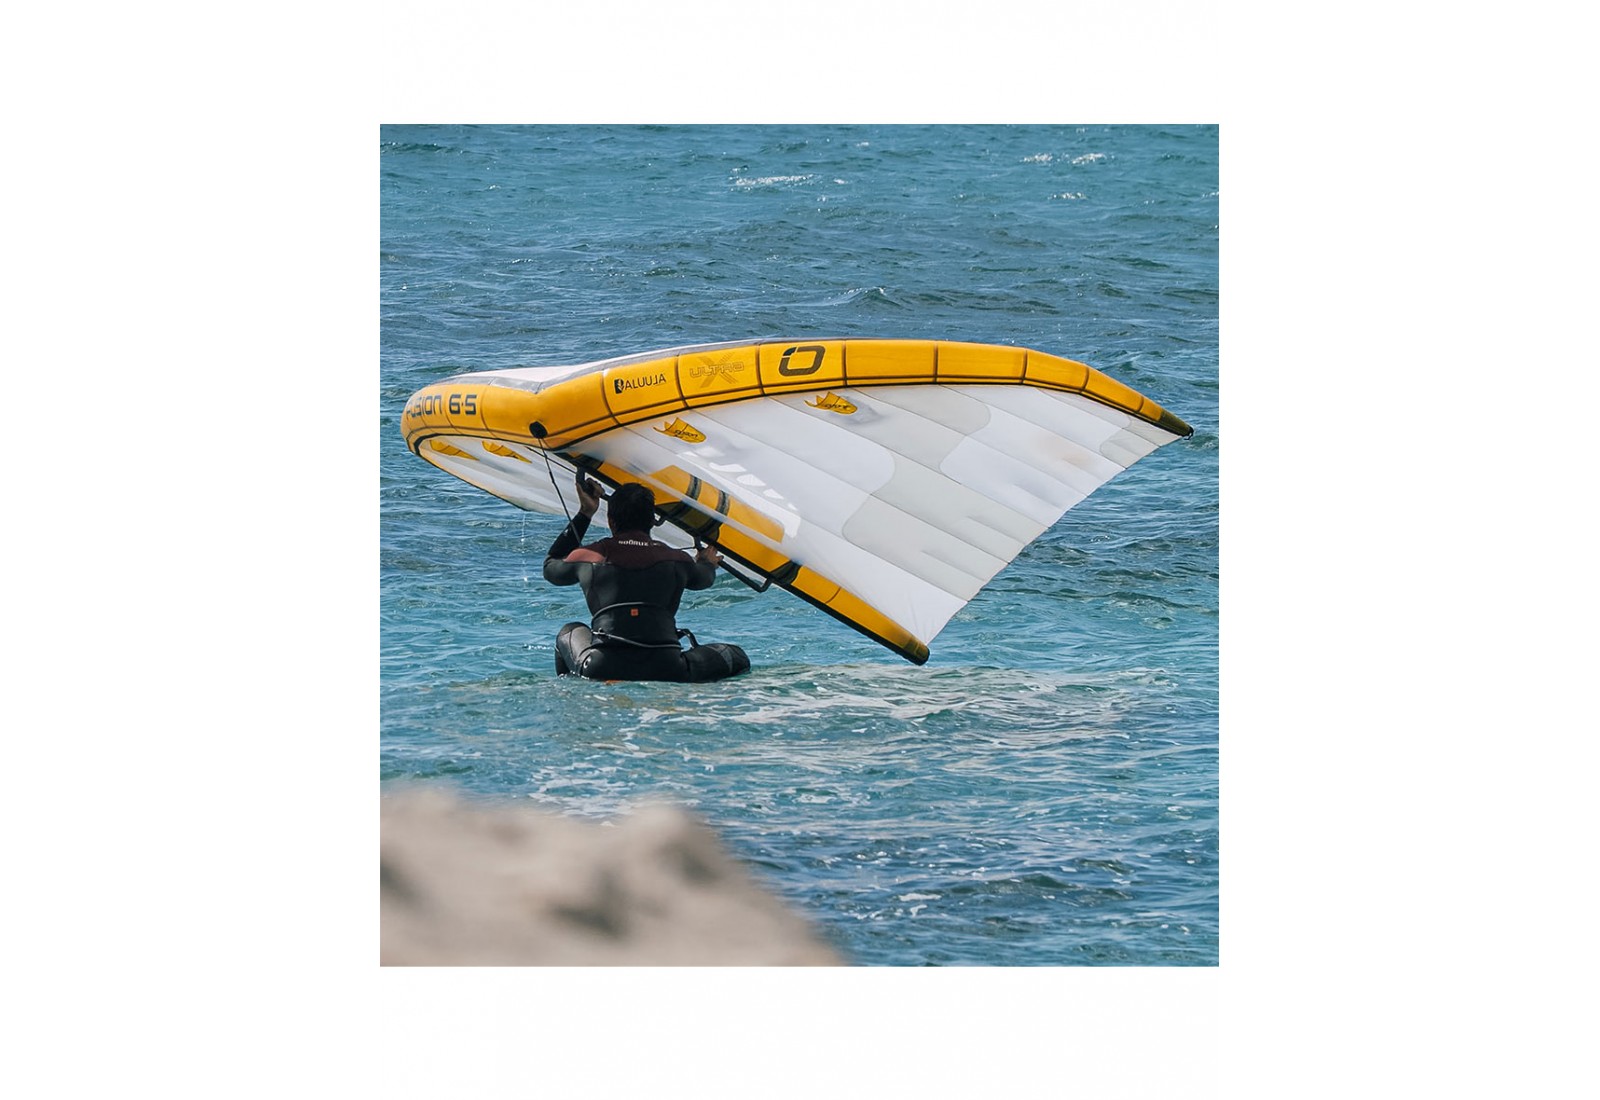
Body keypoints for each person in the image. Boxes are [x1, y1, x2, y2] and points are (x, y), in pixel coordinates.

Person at [543, 473, 751, 682]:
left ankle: (573, 693)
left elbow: (551, 567)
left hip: (602, 667)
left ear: (610, 521)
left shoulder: (590, 556)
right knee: (736, 656)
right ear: (652, 521)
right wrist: (706, 562)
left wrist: (585, 513)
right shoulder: (677, 559)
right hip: (669, 668)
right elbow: (705, 579)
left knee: (568, 631)